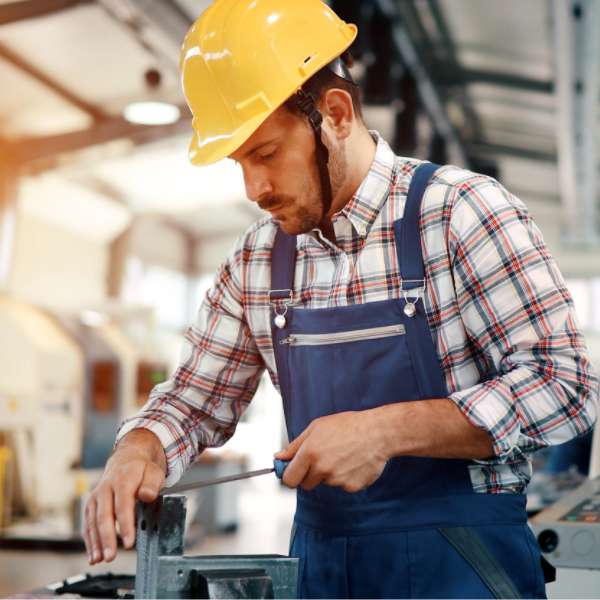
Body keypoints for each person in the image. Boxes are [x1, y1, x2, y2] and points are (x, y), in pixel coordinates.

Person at [83, 1, 598, 597]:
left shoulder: (460, 214)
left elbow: (565, 386)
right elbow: (194, 402)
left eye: (266, 154)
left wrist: (386, 431)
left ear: (335, 113)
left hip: (466, 569)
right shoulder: (257, 261)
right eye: (238, 163)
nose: (254, 189)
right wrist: (139, 447)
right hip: (323, 575)